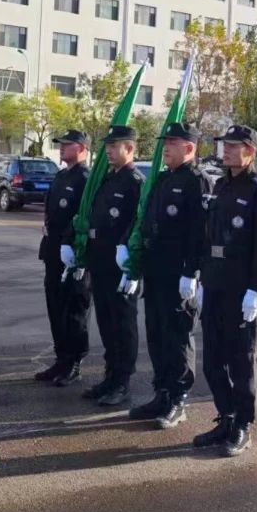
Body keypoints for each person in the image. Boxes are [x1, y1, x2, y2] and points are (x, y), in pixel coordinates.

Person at [193, 124, 257, 456]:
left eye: (233, 146)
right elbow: (208, 236)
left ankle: (243, 424)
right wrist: (201, 279)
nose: (226, 150)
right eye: (224, 145)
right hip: (215, 284)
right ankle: (226, 418)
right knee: (213, 362)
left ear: (250, 151)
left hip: (241, 290)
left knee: (241, 362)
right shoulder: (220, 186)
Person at [129, 121, 209, 429]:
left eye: (172, 144)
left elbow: (200, 232)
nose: (165, 148)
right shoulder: (162, 179)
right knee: (157, 333)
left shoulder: (197, 182)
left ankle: (178, 398)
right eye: (165, 143)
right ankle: (161, 393)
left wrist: (191, 271)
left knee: (177, 336)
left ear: (189, 148)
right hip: (156, 269)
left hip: (179, 272)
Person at [80, 125, 144, 408]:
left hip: (120, 264)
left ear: (129, 148)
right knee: (106, 321)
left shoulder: (135, 182)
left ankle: (122, 381)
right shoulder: (107, 179)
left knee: (122, 323)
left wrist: (128, 254)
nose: (108, 150)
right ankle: (110, 376)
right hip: (100, 260)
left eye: (114, 145)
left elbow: (138, 222)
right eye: (107, 145)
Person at [37, 130, 92, 388]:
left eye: (67, 144)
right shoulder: (61, 176)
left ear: (81, 148)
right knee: (56, 307)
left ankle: (74, 363)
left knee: (74, 310)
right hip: (53, 252)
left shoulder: (85, 179)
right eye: (61, 144)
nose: (61, 148)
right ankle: (61, 359)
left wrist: (74, 247)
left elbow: (84, 216)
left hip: (73, 254)